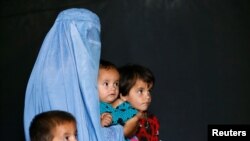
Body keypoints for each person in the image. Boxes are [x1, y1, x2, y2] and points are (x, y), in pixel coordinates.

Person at [24, 8, 124, 141]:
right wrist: (119, 130)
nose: (92, 43)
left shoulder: (80, 73)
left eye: (95, 36)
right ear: (70, 34)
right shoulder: (54, 78)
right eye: (86, 35)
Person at [98, 59, 139, 139]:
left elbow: (133, 116)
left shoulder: (120, 103)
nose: (113, 88)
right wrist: (101, 123)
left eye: (116, 84)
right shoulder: (95, 107)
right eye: (106, 83)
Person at [118, 64, 160, 141]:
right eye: (140, 91)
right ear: (123, 95)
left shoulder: (152, 119)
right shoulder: (119, 118)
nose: (147, 96)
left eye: (149, 91)